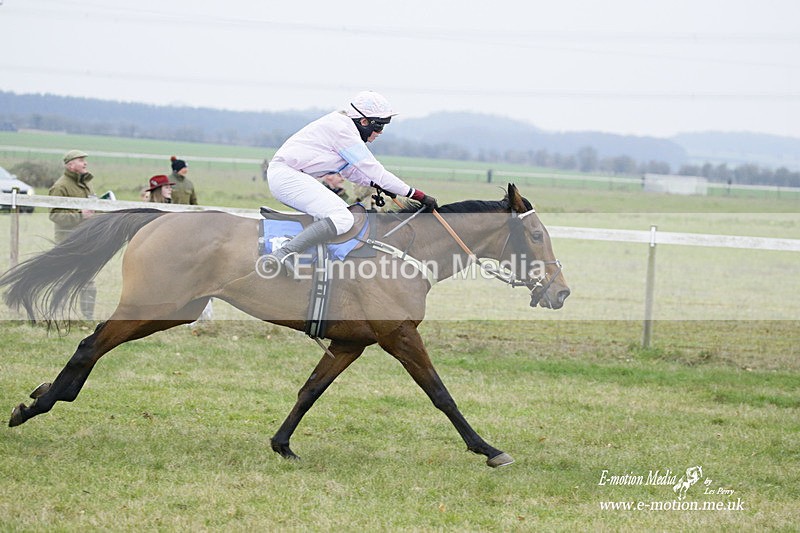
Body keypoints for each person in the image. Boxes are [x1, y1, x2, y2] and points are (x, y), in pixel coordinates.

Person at [264, 90, 437, 275]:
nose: (379, 133)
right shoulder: (343, 131)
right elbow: (376, 171)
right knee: (343, 218)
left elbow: (353, 172)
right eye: (378, 127)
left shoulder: (343, 128)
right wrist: (417, 194)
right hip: (287, 176)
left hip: (290, 176)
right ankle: (283, 253)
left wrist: (378, 185)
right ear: (364, 122)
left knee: (340, 216)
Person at [49, 149, 96, 318]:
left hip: (86, 240)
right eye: (81, 159)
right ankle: (57, 316)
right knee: (62, 281)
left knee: (88, 281)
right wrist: (80, 215)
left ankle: (88, 318)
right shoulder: (60, 186)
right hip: (67, 242)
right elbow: (54, 214)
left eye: (85, 159)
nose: (85, 163)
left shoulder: (87, 184)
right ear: (70, 164)